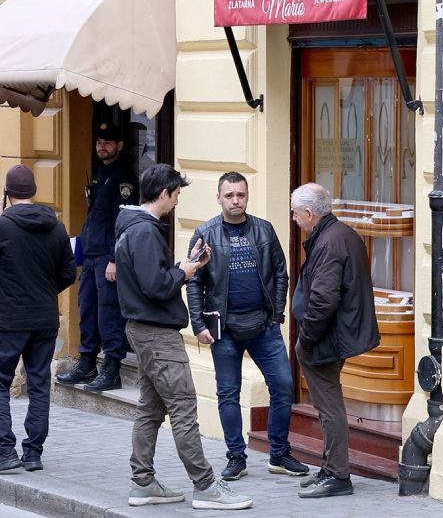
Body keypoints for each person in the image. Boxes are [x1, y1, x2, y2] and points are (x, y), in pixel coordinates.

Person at [115, 163, 252, 511]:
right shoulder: (145, 231)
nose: (177, 202)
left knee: (151, 408)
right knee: (183, 406)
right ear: (164, 194)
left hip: (143, 329)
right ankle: (205, 485)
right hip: (157, 334)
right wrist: (186, 270)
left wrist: (183, 266)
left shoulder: (130, 227)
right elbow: (156, 285)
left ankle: (142, 481)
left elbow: (150, 277)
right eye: (176, 195)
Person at [186, 172, 307, 481]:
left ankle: (279, 453)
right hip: (223, 329)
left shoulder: (264, 230)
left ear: (247, 195)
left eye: (240, 194)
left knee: (283, 386)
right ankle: (236, 457)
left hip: (264, 325)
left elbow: (281, 272)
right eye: (229, 195)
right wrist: (199, 324)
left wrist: (277, 314)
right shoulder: (205, 234)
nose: (236, 200)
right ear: (219, 198)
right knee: (228, 394)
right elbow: (194, 283)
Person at [0, 164, 76, 474]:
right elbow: (68, 272)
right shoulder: (56, 226)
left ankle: (3, 448)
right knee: (39, 383)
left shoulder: (3, 226)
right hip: (44, 318)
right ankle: (33, 453)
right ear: (33, 191)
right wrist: (44, 292)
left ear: (8, 195)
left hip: (9, 319)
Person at [290, 183, 379, 498]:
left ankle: (338, 475)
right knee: (329, 405)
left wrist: (307, 338)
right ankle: (330, 468)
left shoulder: (330, 241)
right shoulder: (339, 234)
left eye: (296, 213)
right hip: (333, 334)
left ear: (310, 213)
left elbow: (324, 299)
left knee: (329, 407)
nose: (294, 218)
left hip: (326, 337)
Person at [56, 123, 139, 392]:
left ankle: (112, 368)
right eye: (99, 141)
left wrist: (115, 258)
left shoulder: (124, 179)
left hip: (107, 256)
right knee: (88, 309)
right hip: (91, 254)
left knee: (108, 313)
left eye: (108, 142)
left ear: (120, 146)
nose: (102, 146)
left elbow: (122, 220)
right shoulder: (101, 173)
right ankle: (87, 362)